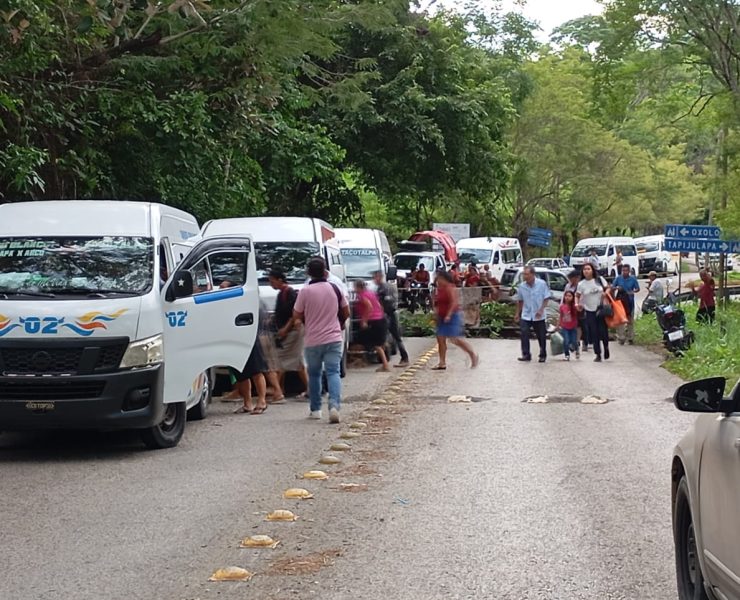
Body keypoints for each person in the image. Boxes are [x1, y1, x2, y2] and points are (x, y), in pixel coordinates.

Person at [294, 257, 350, 423]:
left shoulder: (304, 291)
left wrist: (301, 322)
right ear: (325, 271)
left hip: (313, 339)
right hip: (333, 337)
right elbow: (346, 311)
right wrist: (339, 324)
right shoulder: (334, 288)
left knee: (315, 374)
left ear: (308, 273)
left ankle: (316, 409)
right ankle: (334, 406)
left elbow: (296, 314)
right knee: (333, 372)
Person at [269, 269, 309, 396]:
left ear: (279, 280)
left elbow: (294, 314)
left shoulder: (290, 293)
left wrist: (285, 329)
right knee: (296, 362)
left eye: (272, 281)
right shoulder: (281, 294)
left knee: (279, 360)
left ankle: (278, 391)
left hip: (292, 331)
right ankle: (281, 390)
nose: (271, 284)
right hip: (288, 331)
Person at [431, 270, 478, 370]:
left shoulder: (450, 287)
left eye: (439, 278)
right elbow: (437, 302)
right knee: (440, 338)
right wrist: (436, 313)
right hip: (441, 316)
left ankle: (472, 355)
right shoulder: (439, 289)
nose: (437, 281)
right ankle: (442, 362)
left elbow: (453, 302)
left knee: (455, 339)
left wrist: (449, 315)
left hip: (452, 315)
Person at [514, 266, 551, 363]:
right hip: (526, 314)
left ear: (533, 274)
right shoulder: (522, 286)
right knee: (524, 333)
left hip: (538, 315)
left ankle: (542, 354)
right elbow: (520, 301)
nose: (525, 276)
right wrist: (517, 313)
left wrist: (541, 309)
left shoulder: (541, 284)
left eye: (527, 274)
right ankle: (526, 354)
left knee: (541, 335)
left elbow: (546, 298)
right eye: (524, 274)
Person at [373, 270, 409, 367]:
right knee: (386, 337)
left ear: (380, 277)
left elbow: (386, 302)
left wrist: (382, 311)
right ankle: (385, 360)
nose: (374, 280)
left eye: (375, 277)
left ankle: (404, 357)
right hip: (389, 313)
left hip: (389, 314)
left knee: (395, 336)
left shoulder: (384, 288)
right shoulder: (384, 287)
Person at [354, 280, 390, 371]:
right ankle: (384, 363)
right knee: (378, 343)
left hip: (374, 320)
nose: (354, 290)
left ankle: (385, 365)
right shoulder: (371, 293)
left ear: (358, 287)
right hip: (381, 319)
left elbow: (369, 307)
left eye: (355, 287)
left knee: (375, 344)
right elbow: (379, 306)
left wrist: (364, 320)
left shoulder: (362, 295)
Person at [576, 263, 610, 362]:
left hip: (601, 309)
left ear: (592, 270)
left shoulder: (599, 280)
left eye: (588, 269)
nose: (586, 271)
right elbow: (577, 295)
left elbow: (608, 287)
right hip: (589, 311)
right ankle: (598, 353)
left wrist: (605, 293)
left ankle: (606, 347)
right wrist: (577, 304)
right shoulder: (581, 284)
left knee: (603, 331)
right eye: (584, 269)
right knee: (594, 333)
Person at [612, 264, 640, 345]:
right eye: (623, 271)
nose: (624, 272)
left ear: (629, 271)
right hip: (620, 301)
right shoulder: (618, 278)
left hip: (630, 301)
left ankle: (630, 337)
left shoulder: (633, 279)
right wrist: (617, 288)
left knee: (630, 319)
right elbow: (612, 287)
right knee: (620, 320)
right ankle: (621, 337)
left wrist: (632, 292)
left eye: (626, 270)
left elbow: (637, 288)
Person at [564, 270, 587, 351]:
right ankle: (573, 342)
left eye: (572, 278)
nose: (570, 280)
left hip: (580, 307)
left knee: (580, 325)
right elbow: (565, 296)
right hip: (570, 308)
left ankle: (580, 342)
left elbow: (584, 297)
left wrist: (580, 306)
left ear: (577, 278)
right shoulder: (568, 286)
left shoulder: (581, 286)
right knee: (572, 324)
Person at [558, 290, 579, 361]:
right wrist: (558, 325)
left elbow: (579, 311)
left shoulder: (574, 307)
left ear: (573, 297)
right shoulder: (562, 307)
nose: (567, 297)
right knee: (566, 341)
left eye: (569, 296)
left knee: (574, 341)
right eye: (566, 296)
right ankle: (567, 354)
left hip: (573, 326)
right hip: (565, 327)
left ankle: (576, 350)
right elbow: (560, 316)